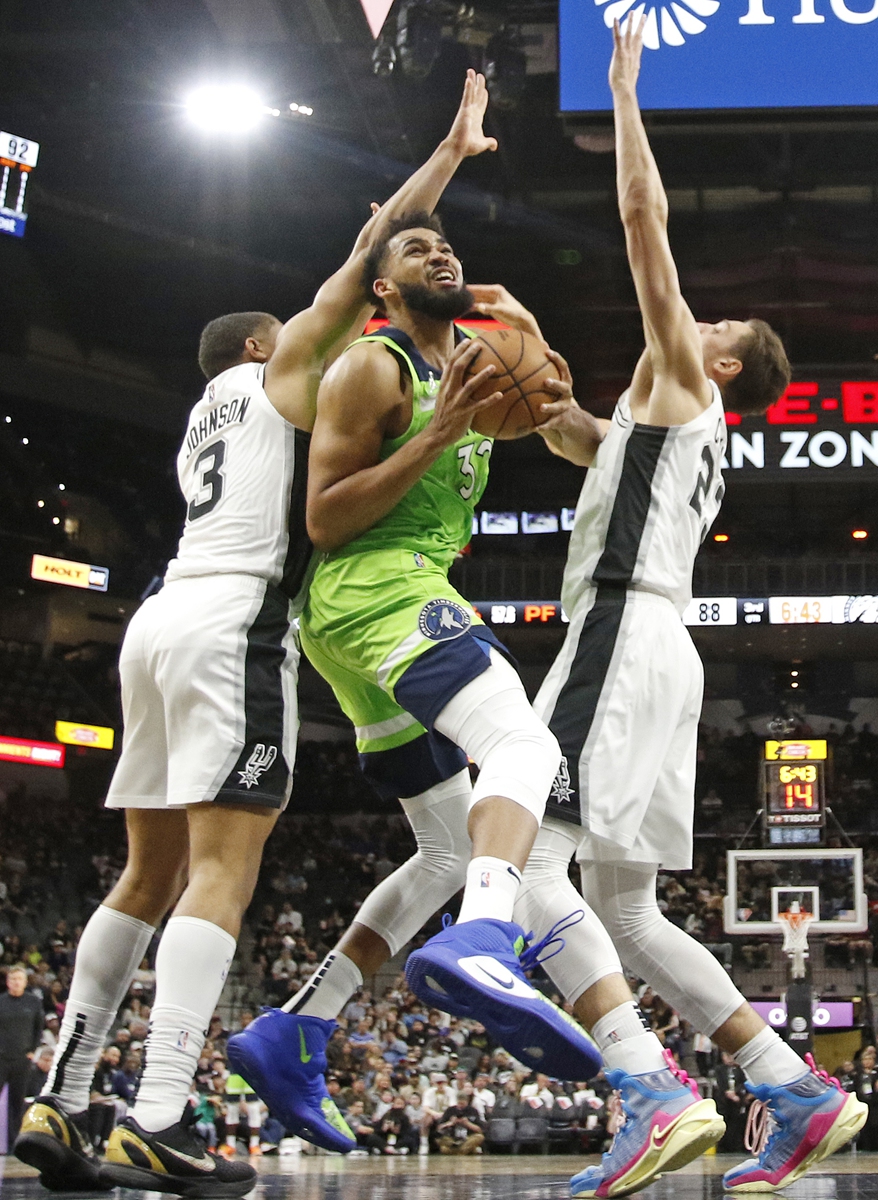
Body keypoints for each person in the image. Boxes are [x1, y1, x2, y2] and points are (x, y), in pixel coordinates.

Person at [14, 72, 503, 1199]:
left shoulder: (203, 412)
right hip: (239, 621)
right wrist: (448, 152)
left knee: (144, 878)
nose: (315, 332)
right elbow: (371, 242)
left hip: (158, 617)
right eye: (295, 330)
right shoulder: (282, 373)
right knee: (221, 877)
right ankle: (162, 1112)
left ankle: (62, 1100)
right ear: (257, 349)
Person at [502, 18, 867, 1197]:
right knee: (627, 906)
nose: (690, 321)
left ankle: (646, 1087)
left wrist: (621, 95)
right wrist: (524, 352)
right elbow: (574, 437)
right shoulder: (666, 427)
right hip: (666, 645)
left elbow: (640, 226)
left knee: (528, 861)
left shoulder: (677, 377)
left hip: (617, 630)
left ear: (718, 364)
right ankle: (791, 1084)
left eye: (707, 330)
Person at [228, 211, 600, 1151]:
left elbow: (571, 421)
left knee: (441, 849)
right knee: (523, 745)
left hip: (368, 622)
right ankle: (485, 936)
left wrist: (533, 332)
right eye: (415, 250)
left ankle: (297, 1026)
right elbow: (324, 519)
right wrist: (437, 436)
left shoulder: (472, 360)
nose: (442, 254)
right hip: (373, 588)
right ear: (383, 286)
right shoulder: (372, 365)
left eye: (448, 247)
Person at [0, 966, 43, 1148]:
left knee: (18, 1102)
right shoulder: (1, 1001)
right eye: (13, 979)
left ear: (25, 982)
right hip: (1, 1058)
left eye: (20, 979)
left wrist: (32, 1051)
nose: (16, 982)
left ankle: (15, 1144)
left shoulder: (33, 1002)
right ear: (8, 982)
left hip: (22, 1058)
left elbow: (38, 1028)